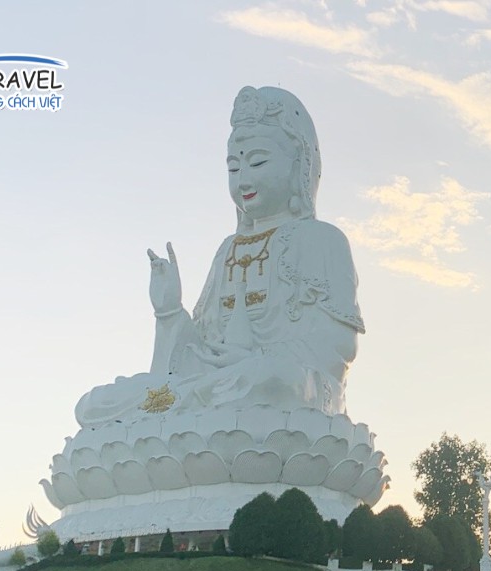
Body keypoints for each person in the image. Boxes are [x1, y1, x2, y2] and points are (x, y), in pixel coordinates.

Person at [75, 86, 364, 427]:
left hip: (287, 387)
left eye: (257, 162)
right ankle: (177, 416)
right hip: (213, 385)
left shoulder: (321, 240)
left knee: (267, 381)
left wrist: (254, 358)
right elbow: (195, 351)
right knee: (93, 405)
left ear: (299, 164)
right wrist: (169, 310)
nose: (244, 179)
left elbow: (337, 348)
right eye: (233, 167)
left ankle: (181, 420)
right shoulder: (227, 249)